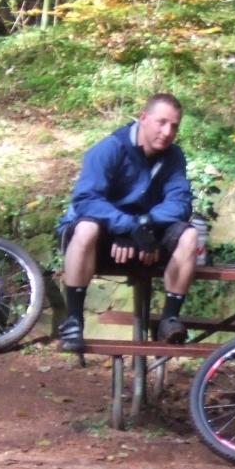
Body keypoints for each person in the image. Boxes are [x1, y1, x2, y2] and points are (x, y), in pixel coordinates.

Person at [54, 93, 200, 354]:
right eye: (161, 122)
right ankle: (73, 320)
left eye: (174, 126)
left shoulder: (174, 157)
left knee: (189, 236)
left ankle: (169, 319)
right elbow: (86, 199)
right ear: (143, 118)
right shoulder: (109, 149)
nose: (167, 132)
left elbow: (181, 203)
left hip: (146, 237)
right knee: (87, 227)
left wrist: (145, 224)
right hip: (101, 235)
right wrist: (126, 227)